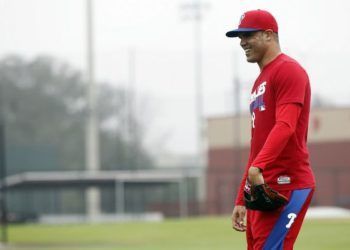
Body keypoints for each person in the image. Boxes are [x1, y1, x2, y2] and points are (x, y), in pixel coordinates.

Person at [225, 9, 316, 250]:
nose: (242, 42)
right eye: (240, 37)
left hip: (287, 184)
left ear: (268, 35)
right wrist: (241, 197)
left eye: (248, 35)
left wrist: (259, 167)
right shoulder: (260, 81)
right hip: (261, 188)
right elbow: (258, 144)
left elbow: (286, 125)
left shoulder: (288, 70)